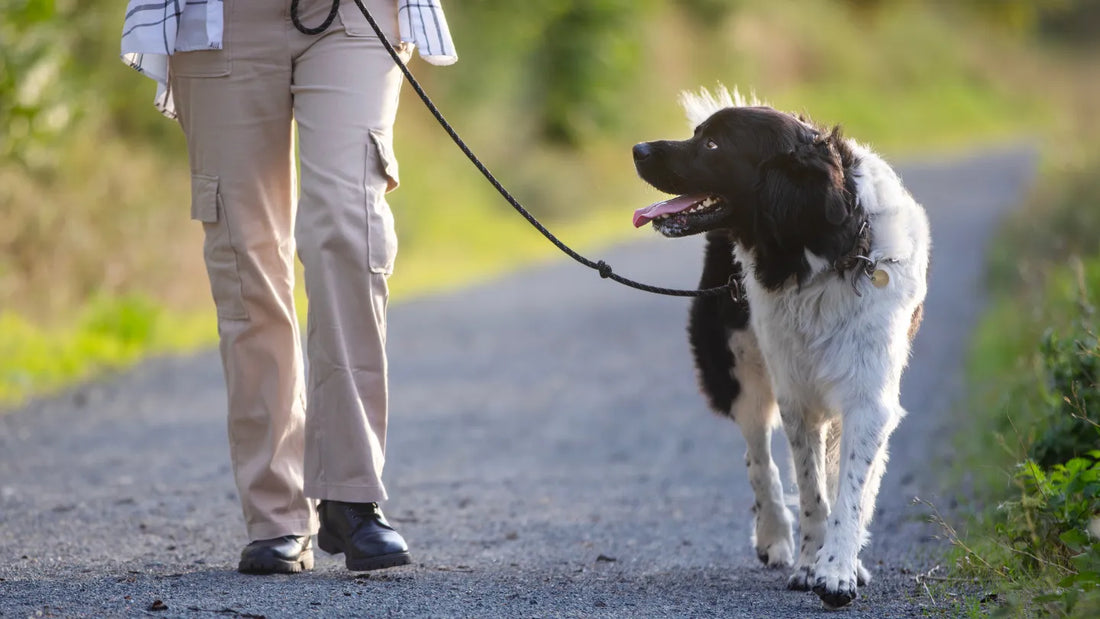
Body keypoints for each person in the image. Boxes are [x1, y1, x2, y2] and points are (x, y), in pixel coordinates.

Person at [120, 0, 456, 574]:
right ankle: (276, 515)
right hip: (220, 19)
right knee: (244, 256)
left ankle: (352, 494)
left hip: (356, 15)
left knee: (349, 230)